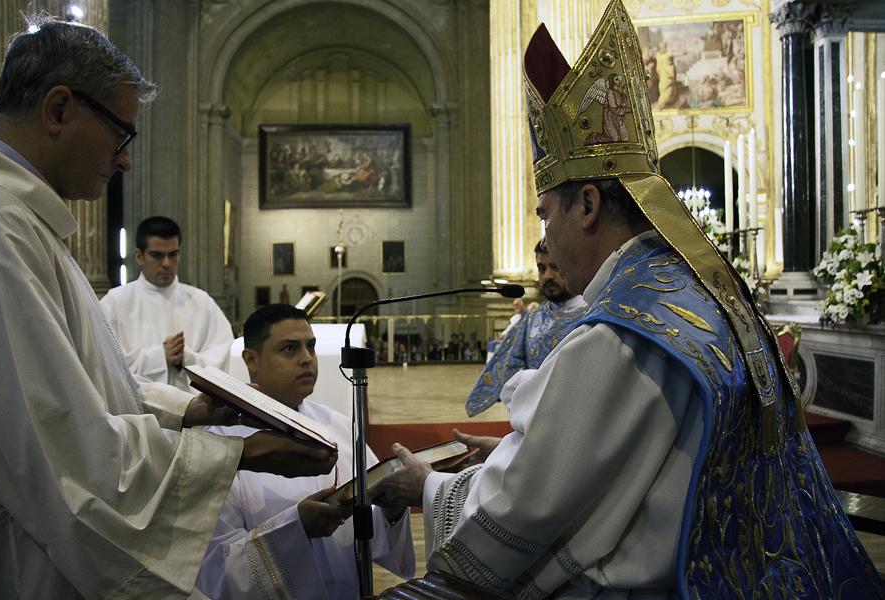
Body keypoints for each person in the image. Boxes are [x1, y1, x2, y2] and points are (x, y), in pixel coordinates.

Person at [371, 3, 883, 598]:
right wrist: (530, 451)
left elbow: (519, 512)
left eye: (545, 215)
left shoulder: (621, 335)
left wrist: (427, 488)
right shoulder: (705, 298)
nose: (543, 240)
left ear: (586, 205)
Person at [0, 17, 335, 598]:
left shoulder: (29, 228)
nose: (124, 161)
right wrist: (238, 455)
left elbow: (92, 383)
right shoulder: (0, 230)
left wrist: (192, 412)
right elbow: (69, 448)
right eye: (121, 134)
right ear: (58, 110)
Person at [196, 304, 414, 599]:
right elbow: (215, 568)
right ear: (252, 360)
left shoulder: (338, 426)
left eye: (310, 347)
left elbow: (370, 533)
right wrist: (297, 528)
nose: (307, 359)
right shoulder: (222, 445)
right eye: (289, 349)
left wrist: (392, 507)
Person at [101, 216, 234, 391]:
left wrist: (185, 358)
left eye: (173, 254)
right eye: (157, 255)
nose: (166, 263)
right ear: (139, 256)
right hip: (138, 410)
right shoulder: (115, 303)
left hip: (197, 408)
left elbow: (224, 357)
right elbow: (104, 363)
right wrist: (159, 357)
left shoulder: (201, 302)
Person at [465, 240, 588, 417]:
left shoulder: (593, 314)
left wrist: (532, 381)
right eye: (541, 268)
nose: (547, 276)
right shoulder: (531, 319)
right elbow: (508, 372)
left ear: (572, 265)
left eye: (555, 266)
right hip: (529, 421)